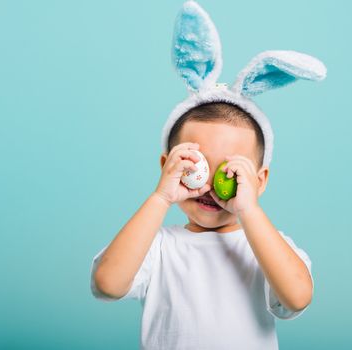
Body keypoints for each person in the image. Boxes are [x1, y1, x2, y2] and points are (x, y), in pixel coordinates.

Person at [90, 1, 327, 349]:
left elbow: (297, 297)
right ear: (167, 167)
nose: (212, 186)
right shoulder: (158, 247)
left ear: (259, 181)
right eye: (195, 163)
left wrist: (250, 211)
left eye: (231, 171)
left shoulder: (264, 246)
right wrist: (160, 198)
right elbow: (107, 284)